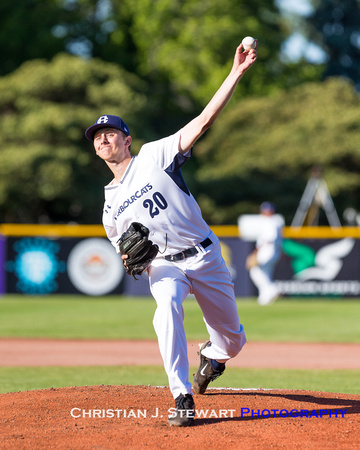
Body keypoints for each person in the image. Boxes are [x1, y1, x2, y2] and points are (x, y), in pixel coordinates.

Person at [85, 41, 258, 427]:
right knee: (166, 309)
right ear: (96, 150)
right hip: (165, 266)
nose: (103, 139)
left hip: (205, 256)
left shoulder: (155, 156)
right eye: (97, 137)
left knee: (233, 342)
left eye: (110, 132)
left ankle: (212, 358)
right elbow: (125, 255)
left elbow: (205, 119)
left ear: (126, 139)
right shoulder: (109, 207)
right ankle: (181, 395)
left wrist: (236, 73)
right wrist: (132, 259)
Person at [246, 202, 284, 306]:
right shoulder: (277, 221)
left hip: (267, 249)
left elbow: (269, 238)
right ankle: (265, 298)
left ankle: (272, 290)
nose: (265, 212)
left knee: (255, 271)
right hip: (274, 250)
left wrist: (256, 251)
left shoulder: (270, 221)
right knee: (266, 273)